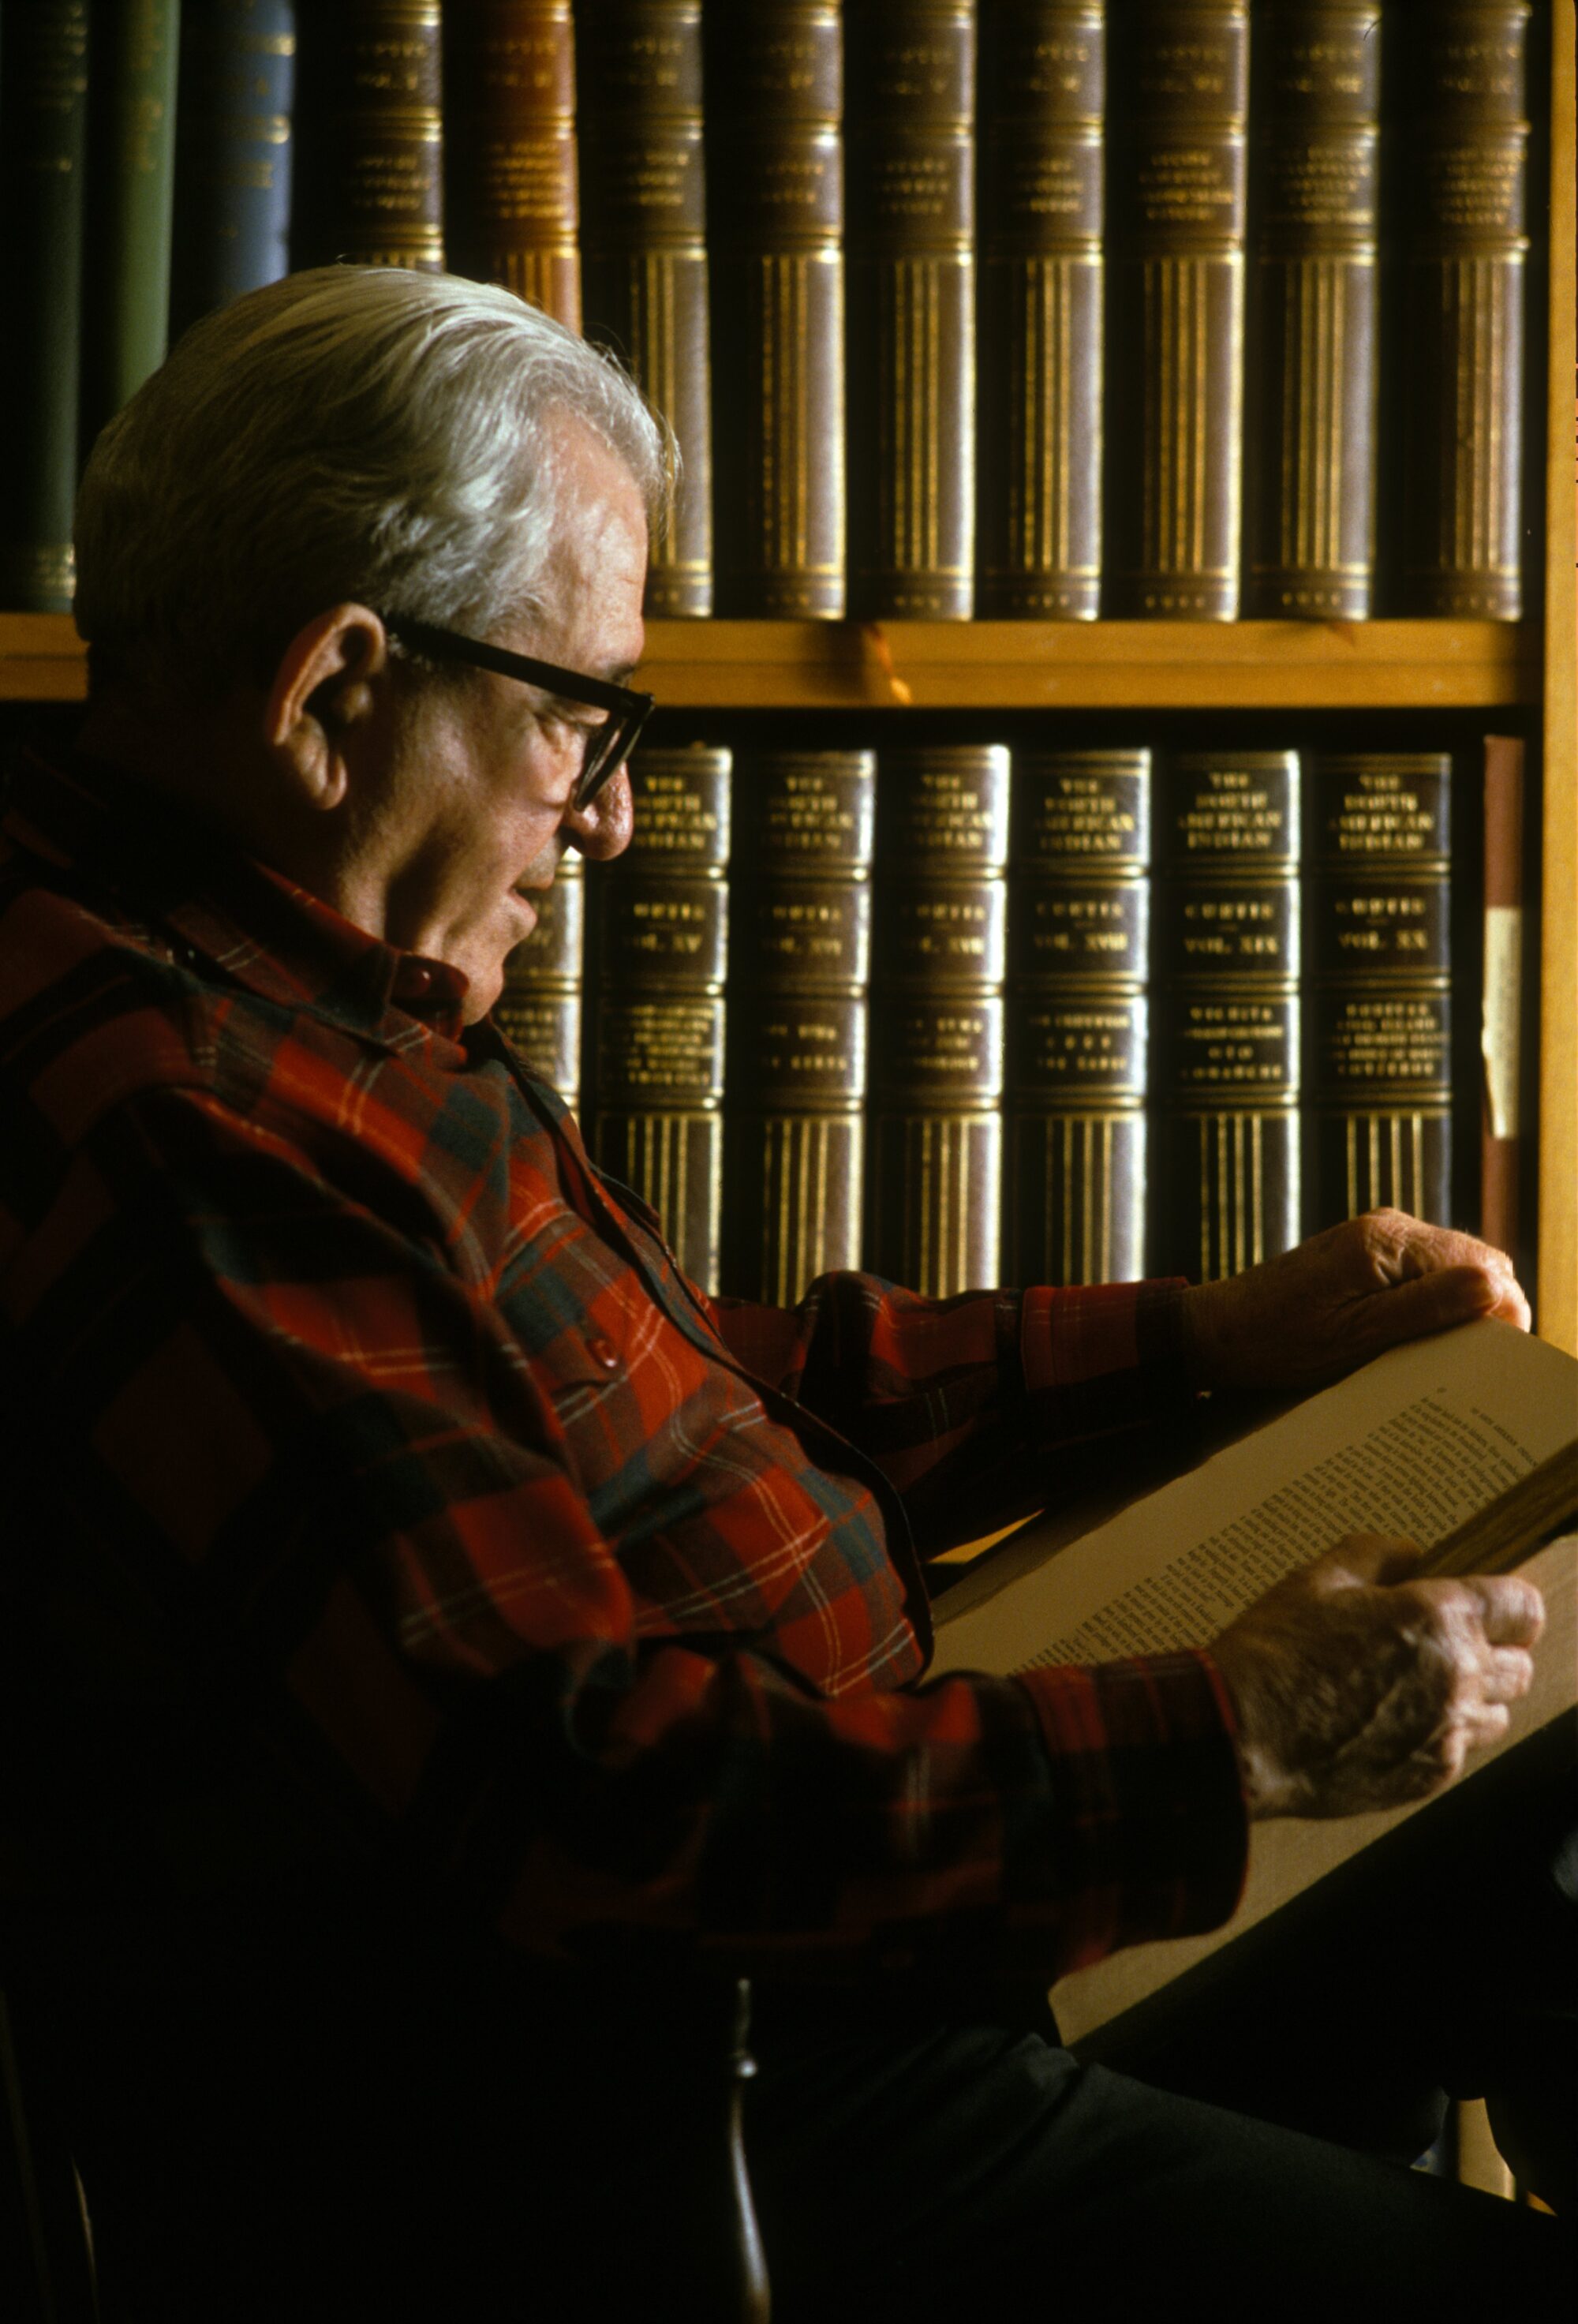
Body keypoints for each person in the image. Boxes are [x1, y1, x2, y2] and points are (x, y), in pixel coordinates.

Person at [0, 266, 1569, 2320]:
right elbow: (579, 1795)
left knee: (1525, 1843)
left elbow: (682, 1389)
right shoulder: (176, 1116)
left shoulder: (302, 997)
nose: (618, 814)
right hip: (707, 2125)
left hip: (843, 1970)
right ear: (330, 689)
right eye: (583, 717)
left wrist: (1207, 1341)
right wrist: (1231, 1733)